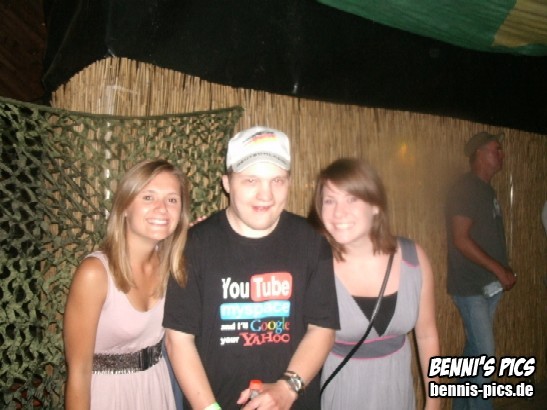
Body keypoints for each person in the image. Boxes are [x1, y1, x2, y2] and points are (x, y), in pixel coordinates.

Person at [163, 126, 339, 410]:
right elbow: (178, 340)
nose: (265, 195)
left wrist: (287, 388)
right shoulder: (193, 245)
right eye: (251, 180)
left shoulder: (311, 242)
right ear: (227, 183)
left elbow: (323, 328)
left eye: (277, 181)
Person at [309, 157, 440, 410]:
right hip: (342, 397)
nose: (339, 212)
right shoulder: (315, 265)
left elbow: (427, 335)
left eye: (352, 199)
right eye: (329, 200)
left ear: (376, 205)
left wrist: (434, 404)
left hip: (398, 396)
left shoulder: (413, 259)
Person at [63, 159, 190, 409]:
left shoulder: (174, 265)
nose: (162, 208)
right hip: (108, 396)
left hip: (157, 388)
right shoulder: (95, 274)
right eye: (148, 197)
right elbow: (78, 372)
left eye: (172, 200)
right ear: (124, 207)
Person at [445, 132, 516, 410]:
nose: (501, 155)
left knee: (474, 353)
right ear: (479, 154)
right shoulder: (466, 188)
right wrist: (499, 269)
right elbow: (461, 239)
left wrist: (501, 271)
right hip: (471, 287)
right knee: (485, 356)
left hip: (488, 286)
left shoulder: (486, 190)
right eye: (496, 149)